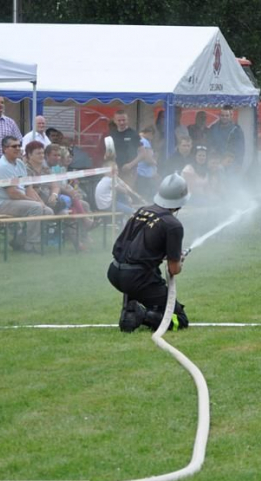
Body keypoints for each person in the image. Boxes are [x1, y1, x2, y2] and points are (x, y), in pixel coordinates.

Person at [107, 173, 191, 332]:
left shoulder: (142, 210)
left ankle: (129, 311)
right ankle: (142, 315)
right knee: (179, 319)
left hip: (114, 272)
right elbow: (173, 269)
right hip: (137, 279)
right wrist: (179, 261)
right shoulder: (173, 225)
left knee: (150, 282)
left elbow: (137, 246)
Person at [0, 136, 54, 253]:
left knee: (48, 211)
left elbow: (29, 188)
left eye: (19, 145)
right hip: (1, 204)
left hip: (17, 201)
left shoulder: (20, 163)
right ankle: (30, 245)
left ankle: (19, 241)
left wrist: (40, 202)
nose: (18, 148)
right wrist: (34, 202)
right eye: (14, 146)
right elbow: (13, 193)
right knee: (36, 208)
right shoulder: (2, 166)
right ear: (5, 149)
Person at [109, 110, 143, 187]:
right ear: (115, 121)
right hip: (115, 171)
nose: (121, 122)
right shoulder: (112, 134)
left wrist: (130, 165)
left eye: (123, 120)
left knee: (127, 192)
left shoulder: (133, 134)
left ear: (127, 120)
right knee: (115, 193)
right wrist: (110, 163)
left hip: (129, 171)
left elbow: (143, 153)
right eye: (119, 120)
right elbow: (109, 153)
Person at [136, 126, 159, 201]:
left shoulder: (139, 140)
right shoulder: (145, 142)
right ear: (150, 133)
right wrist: (155, 162)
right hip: (145, 173)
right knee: (146, 195)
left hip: (141, 172)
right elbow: (147, 158)